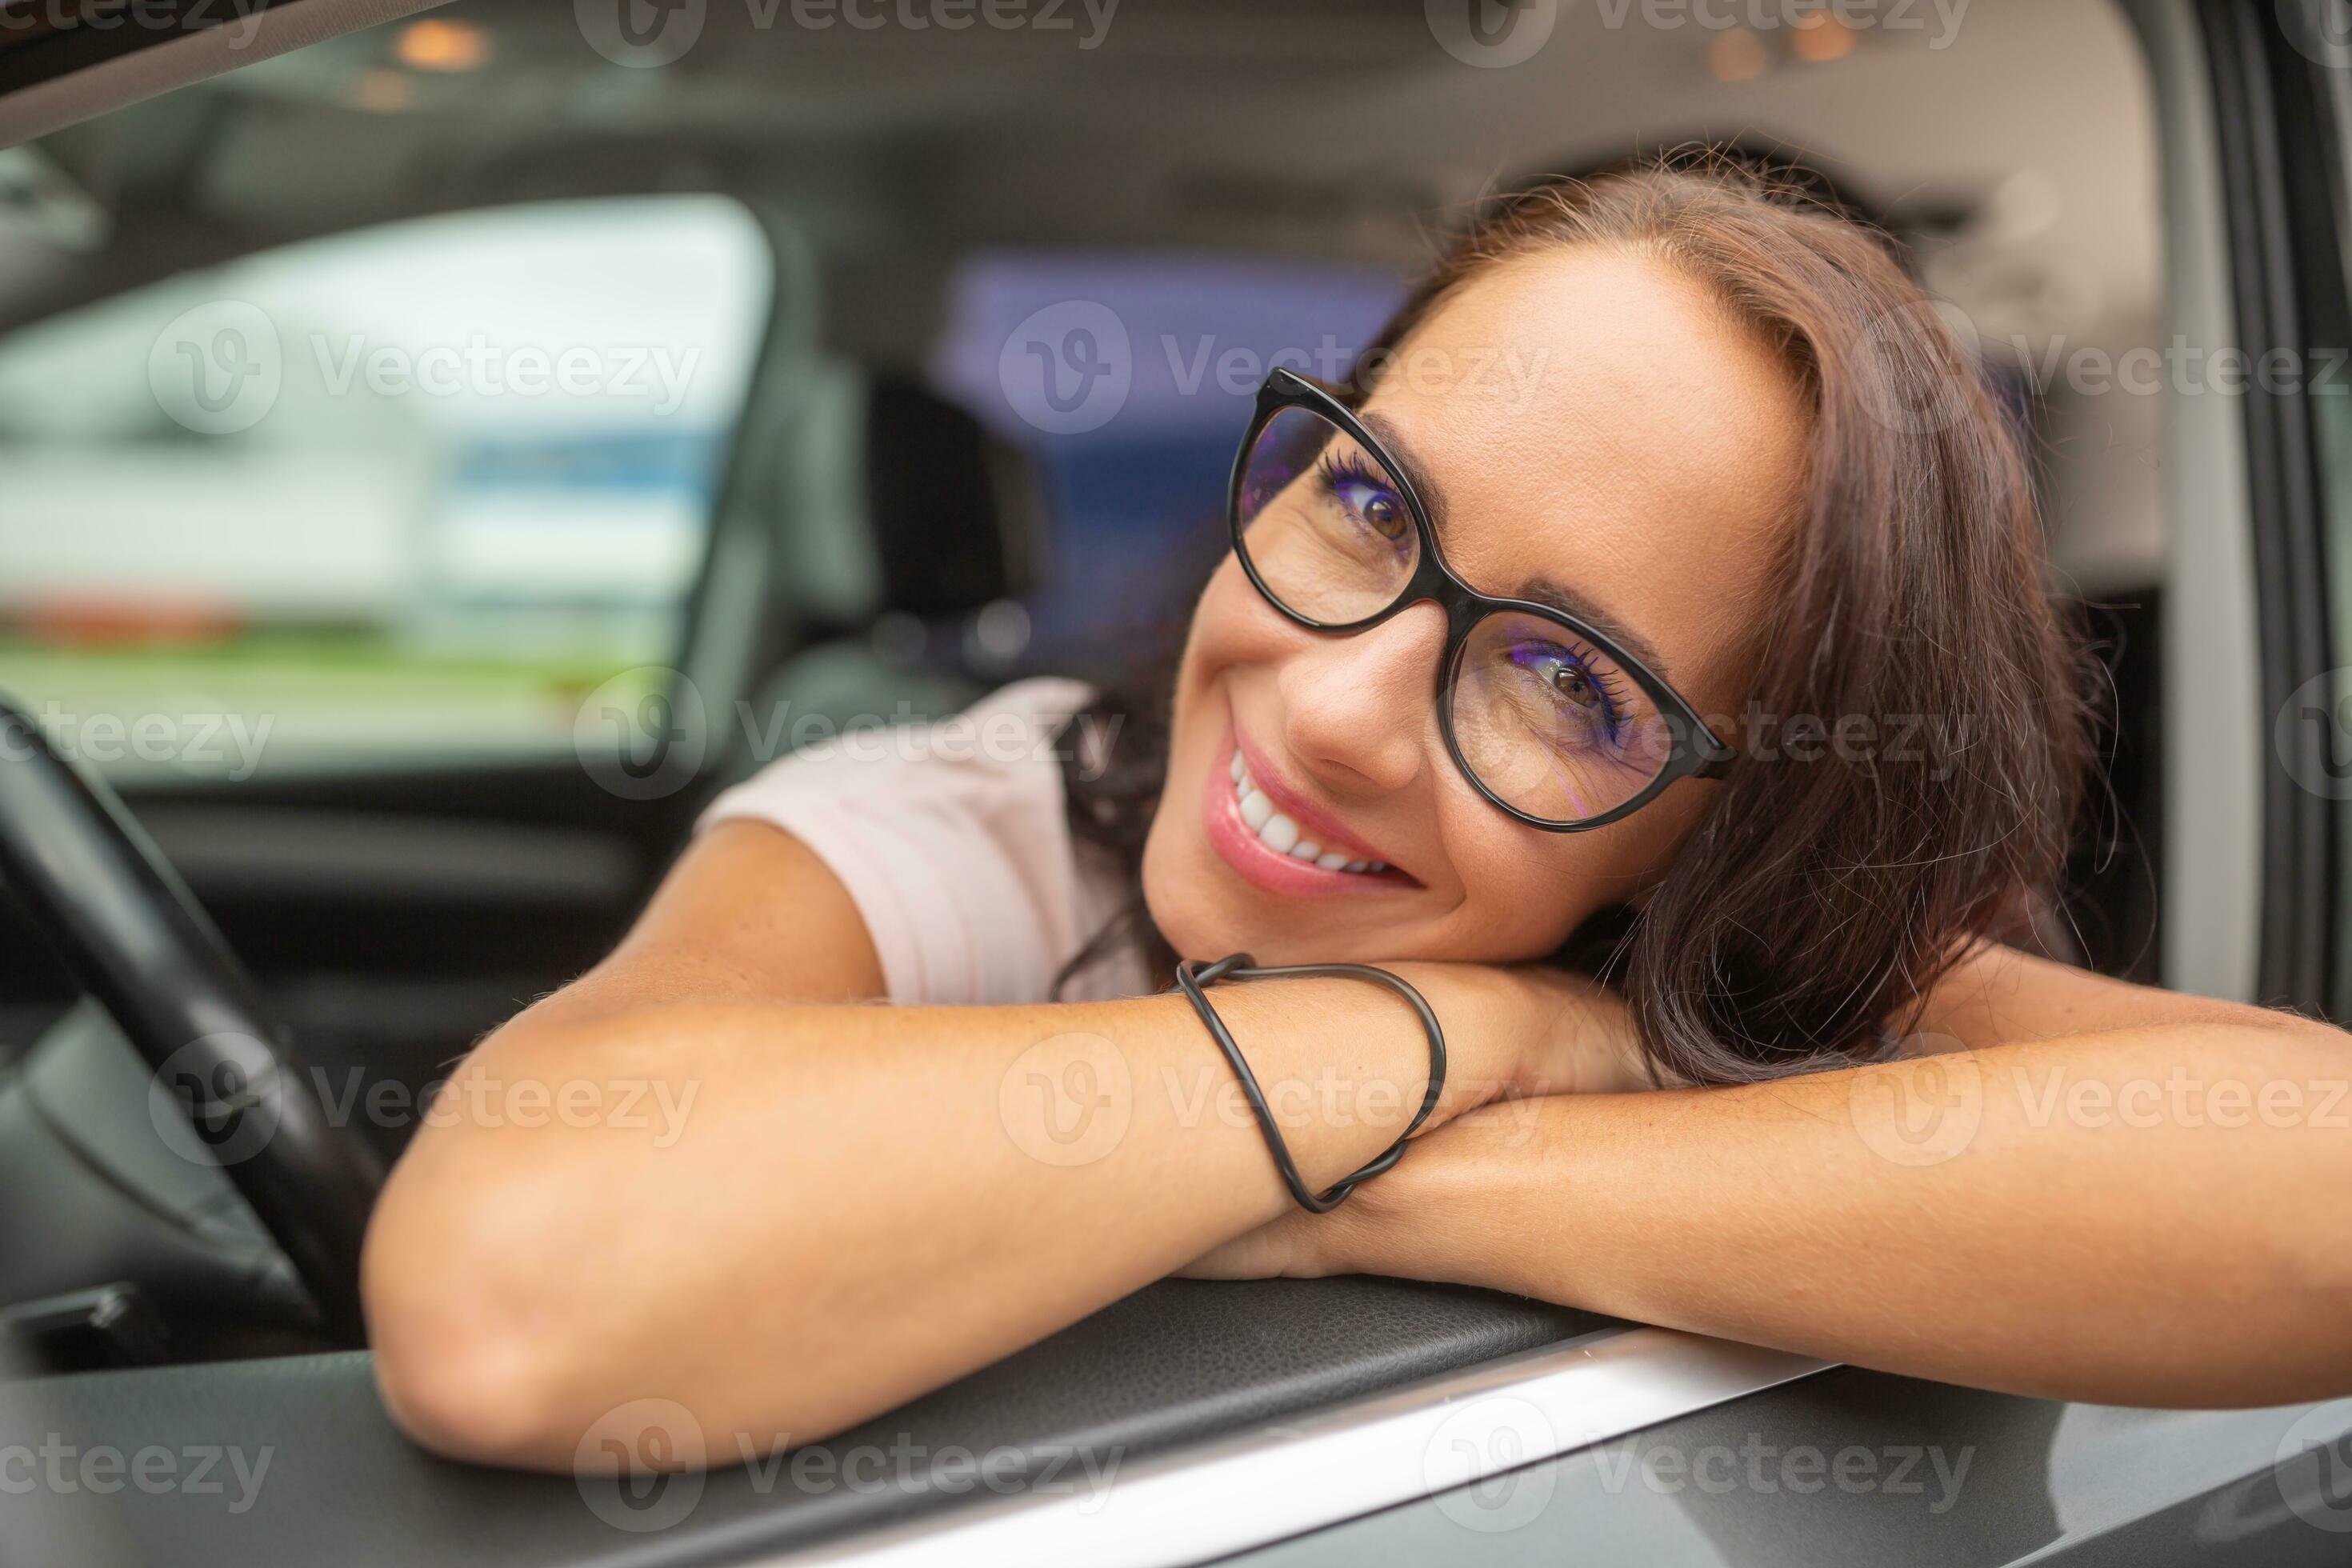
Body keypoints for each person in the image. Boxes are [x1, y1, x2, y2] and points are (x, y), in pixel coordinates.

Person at [362, 161, 2352, 1470]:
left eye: (1572, 682)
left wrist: (1370, 1174)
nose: (1327, 701)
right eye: (1372, 506)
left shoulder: (1739, 965)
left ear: (1742, 830)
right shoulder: (969, 814)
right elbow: (514, 1296)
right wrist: (1455, 1033)